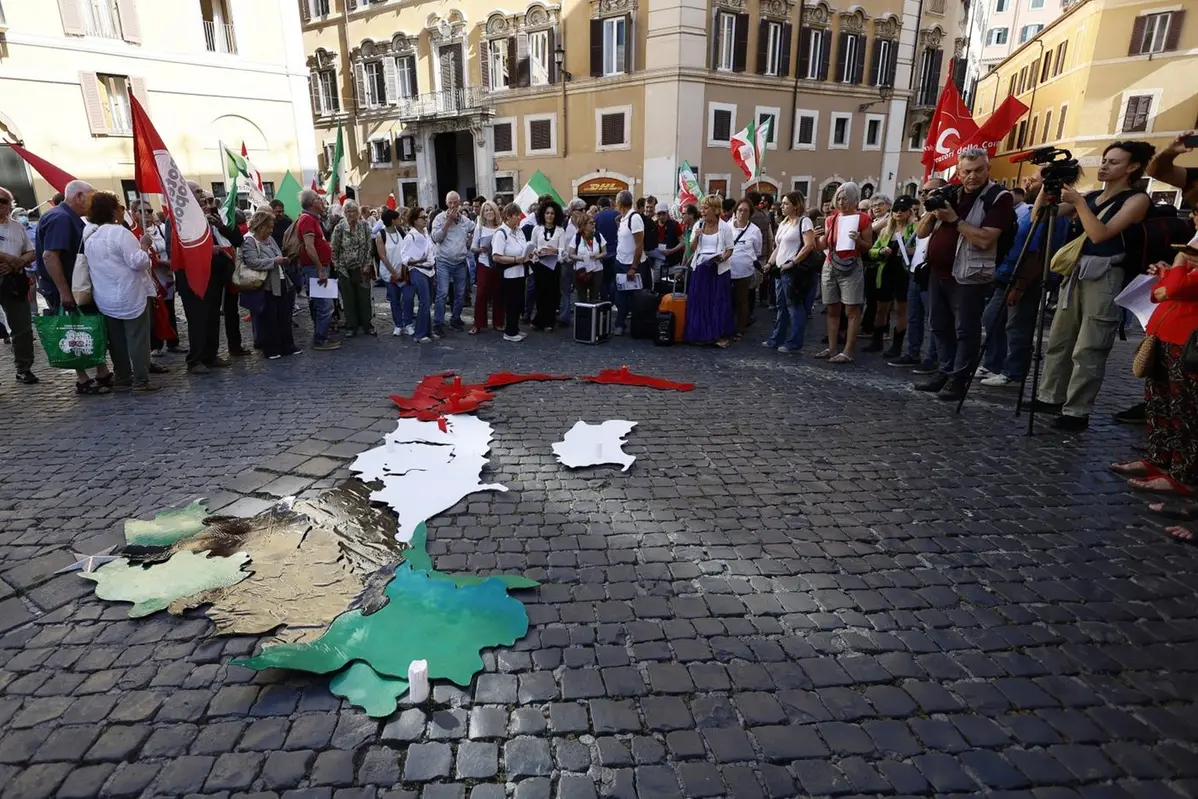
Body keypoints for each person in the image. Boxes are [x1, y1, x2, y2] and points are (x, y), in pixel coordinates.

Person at [1033, 141, 1154, 431]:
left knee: (1090, 346)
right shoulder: (1092, 196)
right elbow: (1040, 215)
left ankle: (1077, 411)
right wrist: (1047, 184)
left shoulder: (1136, 200)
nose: (1104, 166)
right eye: (1104, 160)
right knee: (1060, 339)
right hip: (1076, 272)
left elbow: (1101, 234)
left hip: (1106, 275)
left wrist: (1077, 204)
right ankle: (1050, 396)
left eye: (1113, 162)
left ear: (1132, 167)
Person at [915, 148, 1015, 400]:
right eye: (967, 171)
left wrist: (954, 219)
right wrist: (933, 207)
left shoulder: (998, 197)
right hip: (938, 272)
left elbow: (985, 239)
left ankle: (959, 379)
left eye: (979, 170)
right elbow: (921, 233)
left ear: (988, 169)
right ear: (958, 173)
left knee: (965, 329)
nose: (973, 176)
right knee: (938, 325)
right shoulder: (953, 194)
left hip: (969, 274)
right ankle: (945, 370)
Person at [1110, 244, 1198, 505]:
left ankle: (1183, 475)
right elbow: (1161, 293)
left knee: (1184, 411)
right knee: (1160, 405)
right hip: (1167, 336)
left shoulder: (1188, 255)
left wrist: (1179, 262)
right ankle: (1160, 459)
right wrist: (1169, 272)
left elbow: (1174, 290)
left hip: (1187, 342)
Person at [978, 179, 1071, 388]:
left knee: (1017, 325)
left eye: (1037, 179)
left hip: (1025, 278)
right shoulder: (1032, 210)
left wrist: (1020, 286)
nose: (1029, 182)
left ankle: (1014, 371)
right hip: (1009, 273)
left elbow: (1036, 252)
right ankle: (994, 363)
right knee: (992, 317)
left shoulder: (1051, 214)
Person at [35, 179, 115, 394]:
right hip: (65, 288)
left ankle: (102, 372)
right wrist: (64, 292)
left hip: (76, 286)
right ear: (78, 196)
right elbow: (50, 256)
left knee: (88, 327)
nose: (94, 200)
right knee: (73, 331)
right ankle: (83, 380)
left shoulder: (69, 217)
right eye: (91, 195)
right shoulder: (60, 218)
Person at [82, 191, 162, 393]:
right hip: (130, 294)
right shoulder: (120, 233)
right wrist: (144, 245)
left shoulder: (90, 236)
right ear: (112, 210)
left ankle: (122, 377)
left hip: (105, 295)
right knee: (137, 339)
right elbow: (138, 262)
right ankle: (141, 380)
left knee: (116, 341)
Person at [889, 179, 946, 370]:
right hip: (915, 271)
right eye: (922, 191)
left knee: (933, 319)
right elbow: (921, 238)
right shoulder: (923, 216)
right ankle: (913, 352)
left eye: (930, 191)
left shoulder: (944, 216)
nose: (924, 195)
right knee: (914, 316)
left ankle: (933, 357)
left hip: (932, 273)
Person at [816, 182, 872, 364]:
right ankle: (832, 348)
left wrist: (858, 241)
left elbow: (868, 247)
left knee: (851, 309)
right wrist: (819, 238)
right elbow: (823, 246)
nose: (841, 202)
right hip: (830, 264)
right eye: (838, 198)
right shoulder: (831, 219)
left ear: (854, 199)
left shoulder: (862, 219)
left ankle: (848, 351)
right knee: (832, 308)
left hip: (851, 265)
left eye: (845, 198)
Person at [763, 192, 818, 353]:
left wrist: (793, 262)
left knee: (794, 306)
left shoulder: (804, 221)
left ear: (796, 205)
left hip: (793, 270)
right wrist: (770, 263)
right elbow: (779, 246)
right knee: (781, 306)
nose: (782, 206)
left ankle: (794, 341)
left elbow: (808, 245)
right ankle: (776, 338)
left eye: (786, 203)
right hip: (780, 269)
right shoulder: (784, 223)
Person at [240, 209, 299, 360]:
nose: (271, 230)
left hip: (281, 280)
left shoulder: (270, 239)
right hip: (265, 284)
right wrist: (274, 261)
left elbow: (277, 253)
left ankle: (288, 345)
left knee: (284, 315)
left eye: (272, 227)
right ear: (260, 226)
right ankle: (271, 348)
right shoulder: (249, 241)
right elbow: (251, 262)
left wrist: (284, 259)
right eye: (269, 227)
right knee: (269, 317)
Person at [865, 196, 917, 355]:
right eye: (896, 210)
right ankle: (877, 340)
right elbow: (872, 251)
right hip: (886, 272)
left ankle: (897, 345)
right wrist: (880, 251)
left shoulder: (914, 229)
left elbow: (922, 249)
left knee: (901, 309)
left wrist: (910, 251)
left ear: (909, 212)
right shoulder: (887, 231)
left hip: (904, 273)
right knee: (881, 308)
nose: (898, 213)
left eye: (903, 210)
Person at [683, 195, 735, 348]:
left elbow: (730, 249)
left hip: (718, 270)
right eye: (702, 208)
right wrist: (696, 238)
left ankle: (717, 335)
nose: (703, 211)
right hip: (701, 268)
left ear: (715, 209)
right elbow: (691, 250)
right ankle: (700, 334)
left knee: (717, 303)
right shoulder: (698, 225)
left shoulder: (724, 227)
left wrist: (722, 258)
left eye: (706, 208)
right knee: (700, 303)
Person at [0, 185, 38, 384]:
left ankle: (24, 368)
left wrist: (17, 263)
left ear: (9, 205)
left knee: (22, 327)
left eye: (3, 201)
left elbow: (31, 252)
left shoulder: (17, 226)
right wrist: (8, 258)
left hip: (14, 279)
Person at [297, 188, 340, 351]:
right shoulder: (308, 219)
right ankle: (320, 340)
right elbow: (309, 246)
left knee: (322, 304)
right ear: (311, 203)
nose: (322, 202)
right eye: (319, 199)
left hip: (318, 267)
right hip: (316, 269)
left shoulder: (312, 219)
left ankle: (322, 337)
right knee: (325, 306)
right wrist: (320, 268)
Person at [430, 191, 475, 337]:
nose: (453, 205)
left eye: (455, 202)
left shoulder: (464, 220)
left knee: (460, 293)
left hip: (460, 262)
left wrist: (471, 241)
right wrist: (448, 222)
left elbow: (476, 229)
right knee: (442, 293)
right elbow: (436, 238)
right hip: (443, 261)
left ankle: (456, 319)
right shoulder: (439, 218)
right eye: (450, 202)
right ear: (446, 203)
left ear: (459, 202)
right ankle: (438, 323)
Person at [331, 200, 376, 338]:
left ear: (358, 213)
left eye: (354, 211)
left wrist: (368, 263)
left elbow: (369, 246)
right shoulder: (339, 228)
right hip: (345, 268)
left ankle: (367, 325)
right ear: (344, 213)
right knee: (348, 299)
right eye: (348, 211)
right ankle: (352, 326)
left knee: (364, 297)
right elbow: (334, 248)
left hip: (362, 267)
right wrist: (337, 266)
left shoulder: (364, 226)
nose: (351, 214)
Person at [491, 202, 532, 342]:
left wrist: (529, 255)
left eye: (519, 216)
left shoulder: (519, 231)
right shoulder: (501, 233)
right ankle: (509, 331)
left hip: (520, 272)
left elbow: (523, 248)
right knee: (511, 302)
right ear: (507, 217)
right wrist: (516, 259)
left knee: (519, 302)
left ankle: (515, 328)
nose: (519, 219)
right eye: (516, 216)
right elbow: (496, 256)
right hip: (508, 274)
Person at [728, 199, 763, 339]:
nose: (742, 213)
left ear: (750, 213)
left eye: (746, 210)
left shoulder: (755, 231)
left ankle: (739, 329)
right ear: (735, 211)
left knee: (741, 301)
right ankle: (726, 325)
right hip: (726, 270)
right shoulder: (726, 226)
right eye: (740, 210)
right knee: (727, 300)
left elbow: (757, 250)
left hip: (744, 271)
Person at [401, 205, 435, 343]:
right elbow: (404, 258)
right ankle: (420, 334)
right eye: (423, 217)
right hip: (417, 270)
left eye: (426, 217)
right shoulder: (410, 237)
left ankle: (427, 331)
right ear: (415, 220)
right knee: (424, 301)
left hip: (429, 270)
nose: (426, 219)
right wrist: (419, 260)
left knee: (428, 302)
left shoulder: (426, 233)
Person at [612, 190, 645, 336]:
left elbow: (639, 245)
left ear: (619, 204)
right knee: (620, 295)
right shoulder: (624, 218)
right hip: (620, 261)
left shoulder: (635, 218)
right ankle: (620, 323)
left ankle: (632, 325)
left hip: (630, 264)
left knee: (633, 297)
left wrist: (633, 267)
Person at [529, 200, 565, 332]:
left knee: (552, 293)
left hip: (554, 266)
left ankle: (549, 322)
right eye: (547, 213)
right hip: (540, 265)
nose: (549, 216)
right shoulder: (536, 229)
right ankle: (539, 320)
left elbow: (563, 249)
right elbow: (532, 246)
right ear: (543, 214)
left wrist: (554, 251)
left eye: (552, 213)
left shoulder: (560, 230)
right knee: (540, 293)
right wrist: (536, 251)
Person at [376, 208, 412, 336]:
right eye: (398, 218)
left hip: (403, 272)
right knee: (395, 300)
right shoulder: (381, 235)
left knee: (408, 298)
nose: (400, 220)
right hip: (389, 273)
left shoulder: (401, 231)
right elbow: (382, 256)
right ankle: (398, 324)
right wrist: (394, 273)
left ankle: (408, 323)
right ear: (392, 220)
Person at [470, 201, 504, 334]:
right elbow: (472, 248)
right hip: (484, 263)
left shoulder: (501, 227)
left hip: (498, 263)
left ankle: (499, 322)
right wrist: (480, 249)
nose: (489, 212)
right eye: (486, 210)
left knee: (498, 293)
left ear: (495, 211)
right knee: (481, 294)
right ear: (483, 213)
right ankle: (478, 323)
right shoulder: (480, 228)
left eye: (491, 210)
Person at [862, 195, 892, 337]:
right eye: (874, 206)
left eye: (880, 204)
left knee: (880, 300)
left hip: (883, 263)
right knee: (871, 297)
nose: (877, 208)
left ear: (888, 205)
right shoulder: (875, 219)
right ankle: (871, 326)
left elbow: (871, 229)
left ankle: (881, 329)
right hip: (873, 261)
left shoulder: (888, 219)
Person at [558, 198, 587, 326]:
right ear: (572, 211)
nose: (583, 212)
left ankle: (583, 317)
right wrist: (565, 256)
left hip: (581, 263)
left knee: (581, 291)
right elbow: (561, 245)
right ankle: (564, 317)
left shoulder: (586, 223)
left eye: (584, 209)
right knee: (565, 290)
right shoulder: (564, 224)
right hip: (567, 262)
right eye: (581, 210)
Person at [566, 213, 606, 303]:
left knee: (594, 297)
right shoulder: (577, 237)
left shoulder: (598, 236)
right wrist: (582, 258)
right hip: (581, 270)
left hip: (597, 270)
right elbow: (570, 254)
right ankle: (582, 316)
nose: (593, 224)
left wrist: (597, 256)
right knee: (581, 297)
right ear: (583, 225)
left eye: (594, 222)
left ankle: (593, 316)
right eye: (591, 223)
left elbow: (605, 252)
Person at [594, 197, 619, 301]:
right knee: (614, 278)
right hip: (615, 251)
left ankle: (604, 300)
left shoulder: (597, 217)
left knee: (603, 279)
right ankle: (613, 299)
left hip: (602, 252)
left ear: (599, 206)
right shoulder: (617, 215)